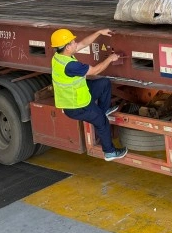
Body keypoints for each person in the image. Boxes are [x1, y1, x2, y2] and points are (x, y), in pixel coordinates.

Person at [50, 28, 127, 161]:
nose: (76, 42)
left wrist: (98, 33)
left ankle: (103, 110)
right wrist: (110, 58)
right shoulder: (71, 66)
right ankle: (110, 152)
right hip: (77, 106)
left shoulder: (59, 56)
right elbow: (95, 70)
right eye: (73, 41)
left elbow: (83, 44)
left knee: (104, 83)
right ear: (67, 47)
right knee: (102, 122)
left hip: (79, 94)